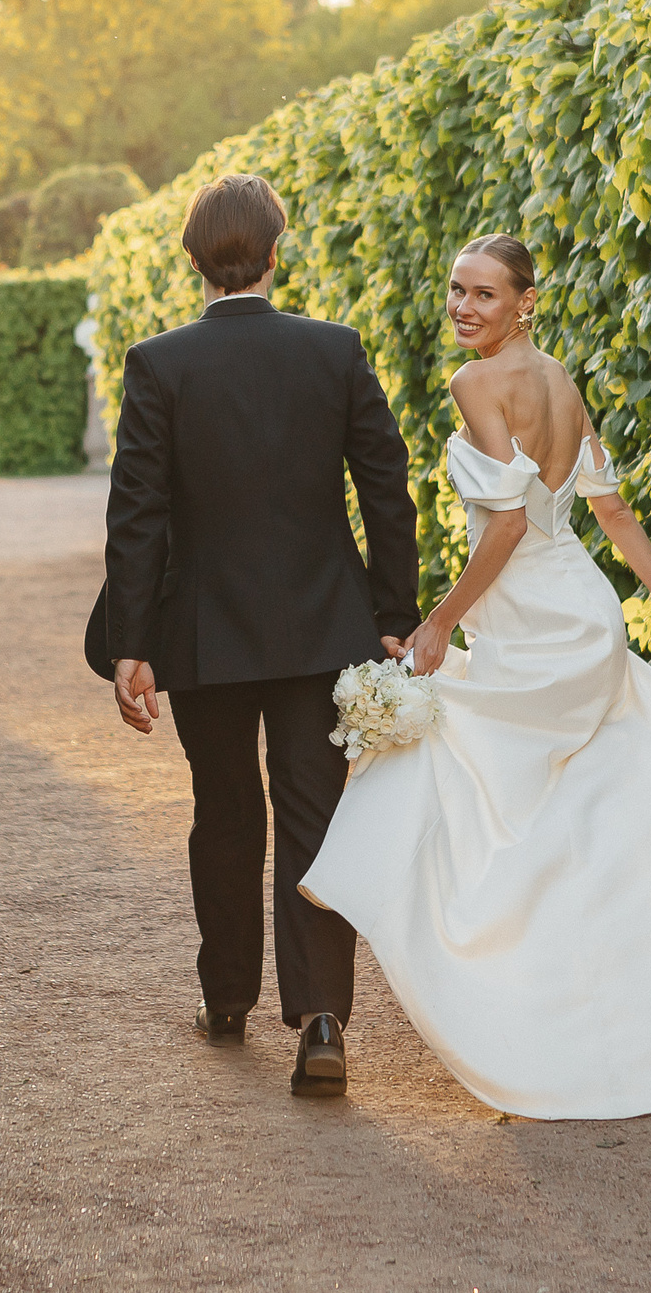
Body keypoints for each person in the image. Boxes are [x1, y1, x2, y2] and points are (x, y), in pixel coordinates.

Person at [300, 232, 651, 1120]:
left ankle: (524, 989)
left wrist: (438, 622)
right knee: (588, 799)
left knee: (477, 779)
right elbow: (612, 513)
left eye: (485, 295)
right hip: (581, 610)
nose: (465, 308)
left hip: (533, 616)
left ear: (524, 302)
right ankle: (629, 988)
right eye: (457, 291)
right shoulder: (563, 382)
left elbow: (504, 529)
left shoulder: (476, 385)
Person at [103, 174, 421, 1099]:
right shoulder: (334, 351)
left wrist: (133, 643)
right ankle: (321, 1020)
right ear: (277, 252)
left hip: (204, 634)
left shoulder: (158, 363)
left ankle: (229, 996)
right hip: (325, 626)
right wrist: (392, 615)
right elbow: (386, 487)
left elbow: (138, 515)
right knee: (315, 818)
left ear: (193, 261)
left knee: (228, 813)